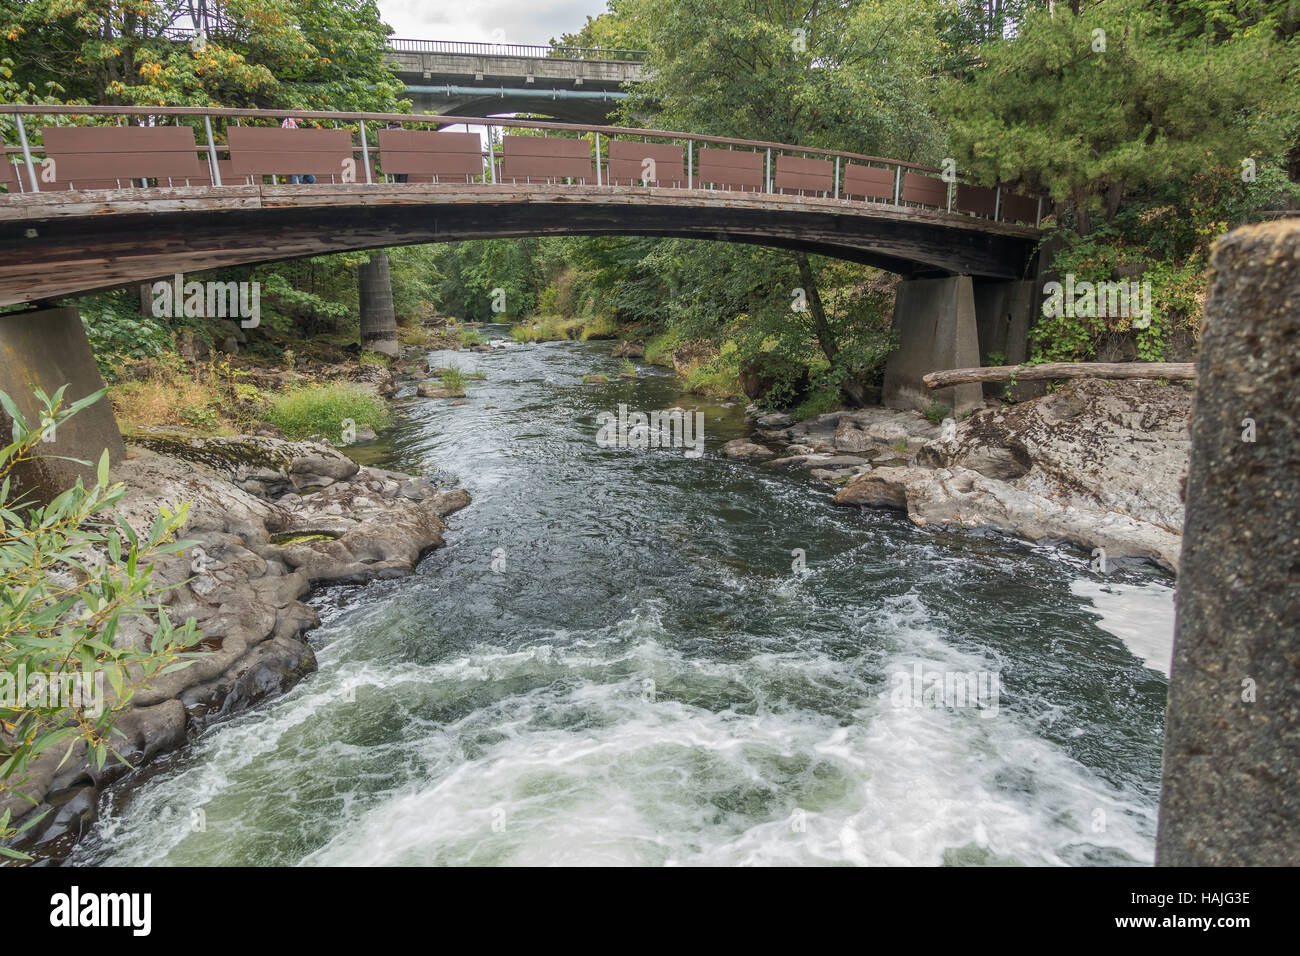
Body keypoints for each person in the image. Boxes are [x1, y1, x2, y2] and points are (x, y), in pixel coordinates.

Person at [280, 116, 316, 185]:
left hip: (297, 155)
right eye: (301, 118)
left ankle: (303, 193)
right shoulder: (289, 122)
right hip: (294, 155)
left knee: (311, 179)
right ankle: (297, 194)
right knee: (298, 178)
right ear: (296, 115)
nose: (302, 121)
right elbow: (292, 140)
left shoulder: (291, 123)